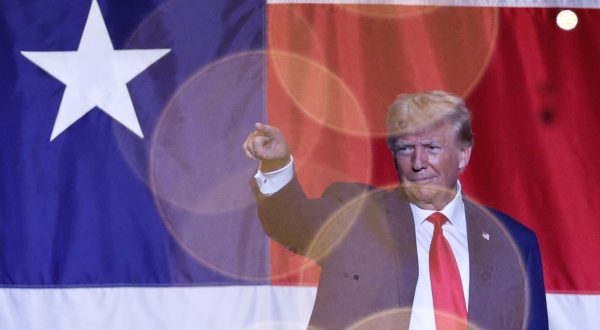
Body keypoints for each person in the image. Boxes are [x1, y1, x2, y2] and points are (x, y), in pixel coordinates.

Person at [243, 90, 548, 329]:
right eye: (405, 149)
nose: (417, 163)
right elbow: (291, 223)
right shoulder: (359, 217)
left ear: (463, 155)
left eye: (432, 148)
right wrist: (276, 164)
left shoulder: (513, 242)